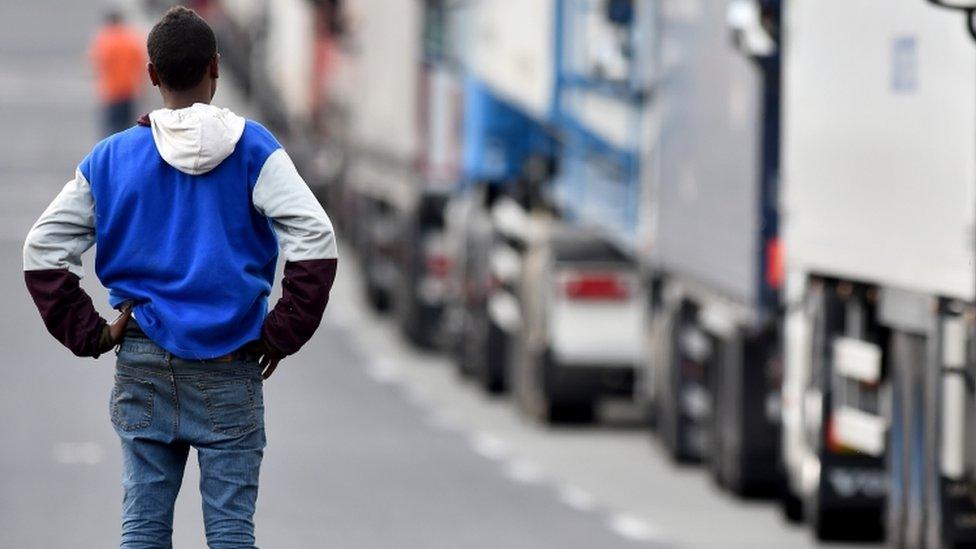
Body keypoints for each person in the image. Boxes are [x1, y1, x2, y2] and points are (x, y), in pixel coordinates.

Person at [24, 6, 338, 548]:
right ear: (216, 68)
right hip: (230, 361)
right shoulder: (255, 150)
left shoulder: (112, 158)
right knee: (232, 533)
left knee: (143, 529)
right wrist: (282, 332)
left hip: (143, 360)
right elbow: (316, 239)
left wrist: (90, 332)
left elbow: (42, 249)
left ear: (151, 74)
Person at [89, 10, 146, 136]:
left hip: (111, 93)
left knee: (110, 131)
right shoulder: (131, 40)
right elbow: (141, 65)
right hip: (129, 91)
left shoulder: (104, 40)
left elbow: (96, 65)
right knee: (127, 130)